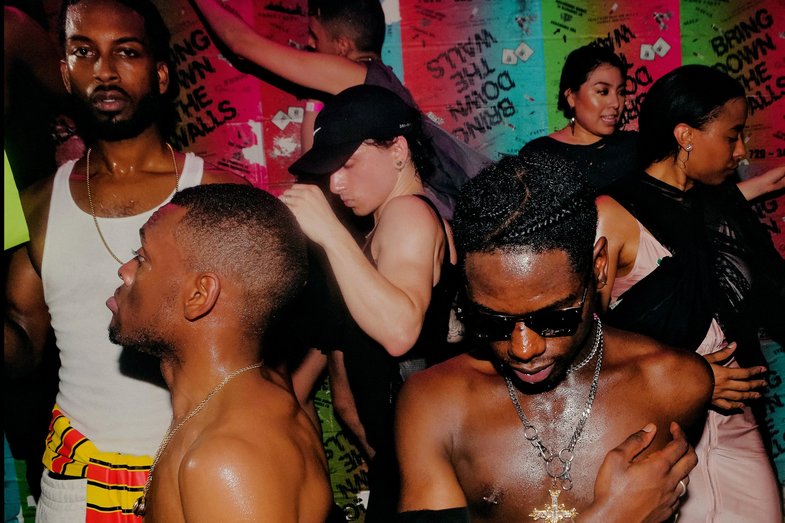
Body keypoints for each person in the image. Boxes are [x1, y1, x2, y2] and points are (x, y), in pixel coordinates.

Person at [3, 0, 246, 520]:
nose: (105, 71)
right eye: (84, 52)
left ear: (160, 75)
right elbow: (21, 350)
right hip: (77, 487)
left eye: (127, 52)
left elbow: (270, 348)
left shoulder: (216, 193)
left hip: (200, 481)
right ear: (65, 73)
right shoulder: (38, 204)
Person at [395, 154, 713, 521]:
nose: (523, 348)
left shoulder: (676, 384)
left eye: (551, 318)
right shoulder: (434, 402)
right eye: (493, 321)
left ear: (599, 268)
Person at [597, 64, 784, 522]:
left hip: (737, 422)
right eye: (731, 135)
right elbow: (585, 341)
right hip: (656, 432)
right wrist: (692, 376)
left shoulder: (720, 205)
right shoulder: (614, 213)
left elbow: (775, 296)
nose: (741, 152)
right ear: (686, 135)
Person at [282, 84, 458, 520]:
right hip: (408, 463)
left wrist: (327, 230)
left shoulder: (408, 214)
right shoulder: (383, 225)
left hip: (426, 471)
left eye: (349, 163)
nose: (335, 182)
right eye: (329, 169)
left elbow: (400, 333)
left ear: (398, 150)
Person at [105, 183, 332, 521]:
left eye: (142, 257)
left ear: (198, 296)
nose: (124, 270)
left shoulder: (226, 460)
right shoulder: (228, 407)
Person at [192, 0, 489, 219]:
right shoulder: (367, 87)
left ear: (343, 46)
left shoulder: (356, 72)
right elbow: (311, 158)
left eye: (314, 36)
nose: (309, 45)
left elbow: (241, 44)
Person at [518, 44, 784, 197]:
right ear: (571, 96)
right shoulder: (539, 154)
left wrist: (766, 182)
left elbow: (688, 199)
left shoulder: (638, 145)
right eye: (603, 91)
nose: (616, 103)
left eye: (621, 92)